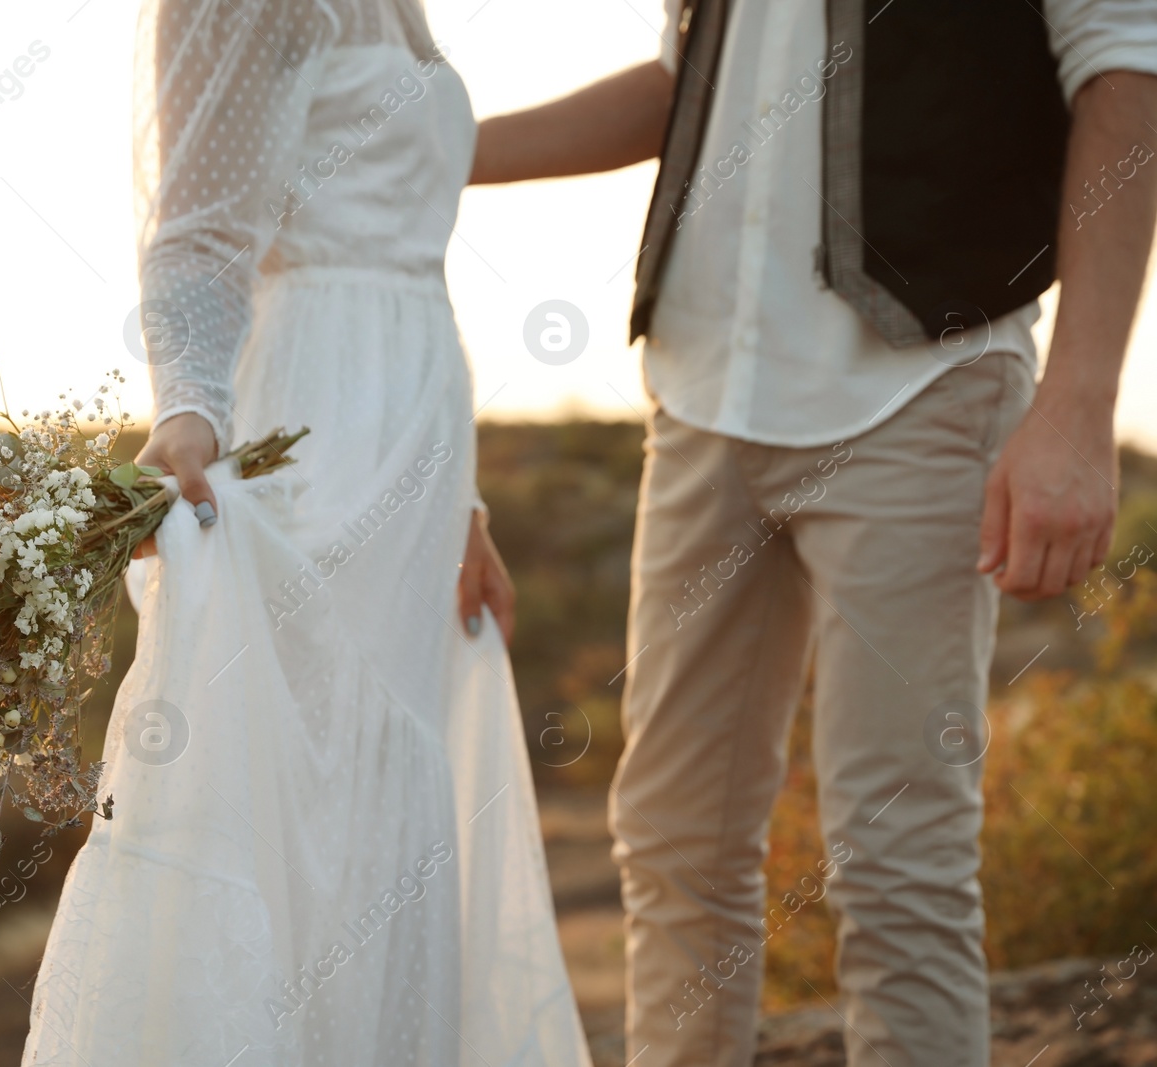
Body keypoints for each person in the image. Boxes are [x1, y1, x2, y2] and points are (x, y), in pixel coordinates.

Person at [471, 0, 1157, 1063]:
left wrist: (1077, 398)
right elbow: (679, 80)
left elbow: (1126, 67)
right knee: (672, 842)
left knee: (897, 855)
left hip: (922, 384)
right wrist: (437, 147)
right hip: (702, 395)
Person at [21, 0, 592, 1064]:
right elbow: (195, 230)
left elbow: (401, 236)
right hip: (314, 435)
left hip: (415, 442)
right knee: (312, 800)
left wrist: (465, 502)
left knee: (388, 819)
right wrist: (189, 404)